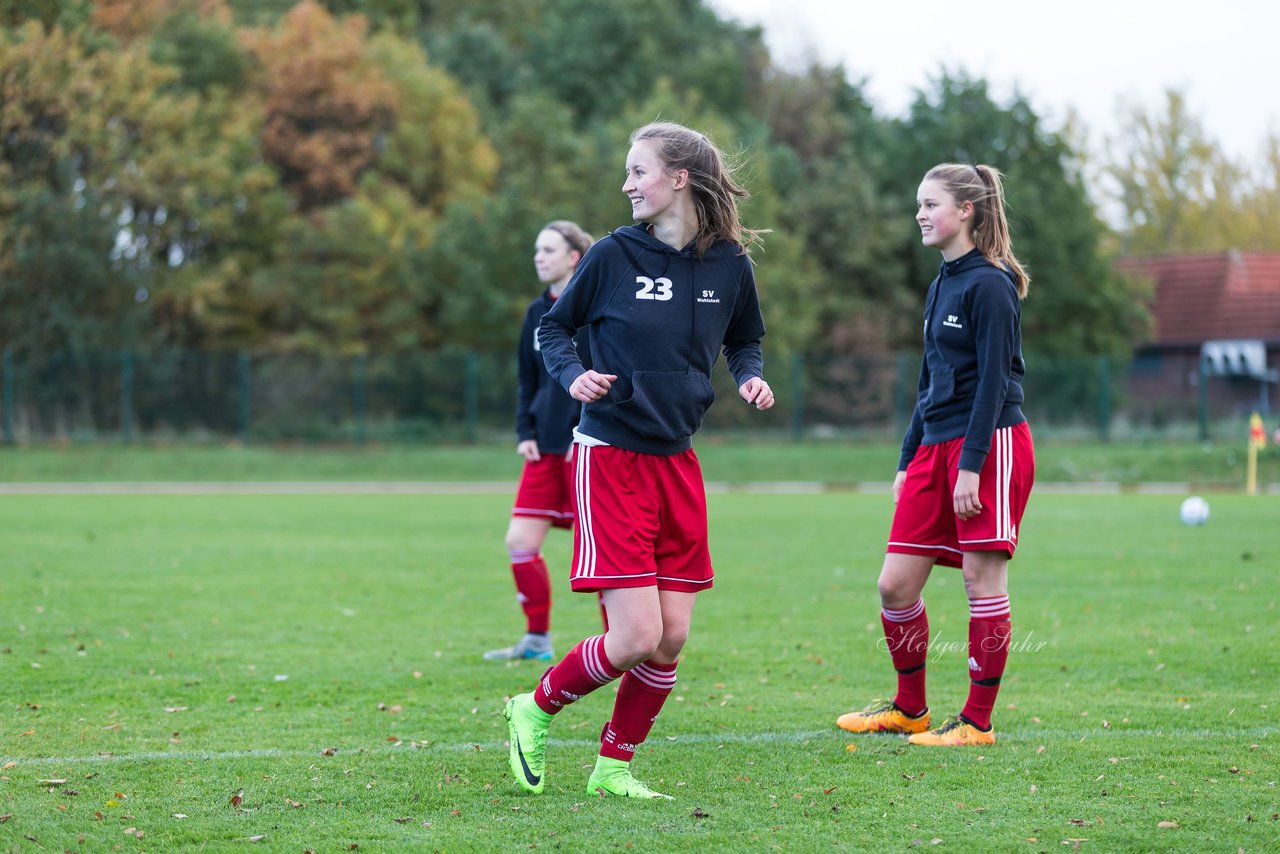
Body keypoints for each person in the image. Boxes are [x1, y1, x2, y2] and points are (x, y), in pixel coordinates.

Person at [502, 121, 775, 798]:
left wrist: (749, 376)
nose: (626, 185)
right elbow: (553, 328)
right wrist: (570, 378)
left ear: (679, 179)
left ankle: (613, 769)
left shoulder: (730, 265)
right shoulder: (615, 255)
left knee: (671, 638)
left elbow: (745, 340)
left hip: (678, 462)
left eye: (637, 171)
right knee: (632, 637)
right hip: (610, 456)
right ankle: (532, 708)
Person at [835, 163, 1035, 746]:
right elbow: (931, 380)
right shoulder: (941, 282)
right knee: (895, 585)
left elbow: (994, 381)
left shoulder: (991, 284)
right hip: (933, 447)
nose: (920, 214)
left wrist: (971, 463)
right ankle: (909, 709)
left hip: (989, 443)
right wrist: (906, 459)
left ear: (966, 210)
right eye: (918, 204)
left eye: (931, 204)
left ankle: (976, 721)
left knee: (981, 580)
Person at [484, 220, 601, 662]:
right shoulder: (537, 314)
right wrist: (524, 432)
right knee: (520, 541)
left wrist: (588, 431)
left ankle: (629, 648)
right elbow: (527, 380)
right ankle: (536, 640)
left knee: (606, 556)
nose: (539, 256)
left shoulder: (596, 309)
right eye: (537, 249)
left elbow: (608, 377)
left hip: (588, 448)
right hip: (543, 449)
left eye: (549, 249)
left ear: (574, 257)